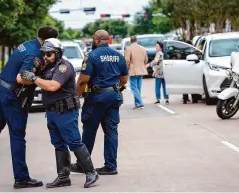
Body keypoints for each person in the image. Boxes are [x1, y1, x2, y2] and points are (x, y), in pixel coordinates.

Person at [0, 26, 59, 189]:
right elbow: (22, 77)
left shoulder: (27, 44)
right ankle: (21, 178)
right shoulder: (35, 54)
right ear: (46, 41)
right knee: (17, 134)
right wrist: (40, 80)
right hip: (12, 94)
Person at [20, 38, 99, 188]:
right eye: (44, 54)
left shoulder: (64, 67)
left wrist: (34, 78)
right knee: (58, 144)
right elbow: (34, 78)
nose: (45, 57)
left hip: (66, 111)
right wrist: (35, 70)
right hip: (52, 112)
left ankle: (91, 172)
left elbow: (52, 86)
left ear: (57, 53)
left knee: (74, 142)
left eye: (49, 54)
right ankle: (63, 177)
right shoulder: (47, 67)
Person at [71, 30, 128, 175]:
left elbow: (83, 80)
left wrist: (77, 96)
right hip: (113, 97)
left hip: (96, 98)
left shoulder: (92, 56)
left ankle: (82, 164)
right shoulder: (118, 56)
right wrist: (114, 88)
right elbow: (124, 80)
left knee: (89, 131)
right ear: (108, 40)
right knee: (111, 132)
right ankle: (110, 166)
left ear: (96, 40)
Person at [125, 35, 148, 109]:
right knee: (138, 88)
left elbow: (127, 60)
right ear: (136, 40)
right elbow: (146, 60)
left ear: (130, 41)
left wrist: (126, 68)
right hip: (141, 70)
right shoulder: (143, 48)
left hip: (133, 71)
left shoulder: (128, 48)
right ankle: (137, 104)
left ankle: (140, 102)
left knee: (133, 88)